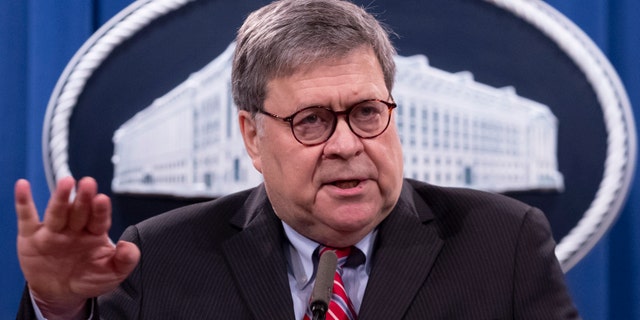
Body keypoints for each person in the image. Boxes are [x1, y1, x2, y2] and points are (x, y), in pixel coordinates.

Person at [15, 0, 580, 318]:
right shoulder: (159, 259)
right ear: (253, 138)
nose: (346, 145)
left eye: (365, 111)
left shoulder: (502, 244)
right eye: (311, 121)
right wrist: (58, 309)